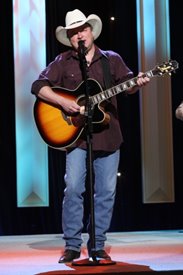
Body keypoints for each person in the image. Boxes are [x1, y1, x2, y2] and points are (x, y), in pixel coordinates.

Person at [31, 9, 150, 263]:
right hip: (77, 138)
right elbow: (38, 87)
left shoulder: (111, 60)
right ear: (69, 38)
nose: (79, 35)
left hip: (109, 136)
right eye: (73, 33)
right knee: (73, 189)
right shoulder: (62, 61)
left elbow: (127, 85)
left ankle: (97, 245)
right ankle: (72, 246)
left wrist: (136, 83)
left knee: (106, 192)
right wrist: (63, 102)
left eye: (82, 29)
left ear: (91, 31)